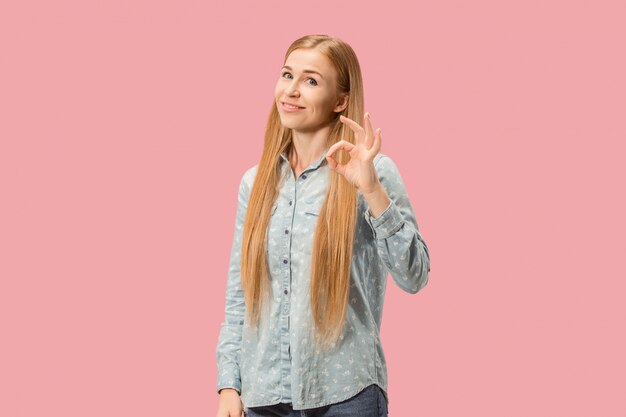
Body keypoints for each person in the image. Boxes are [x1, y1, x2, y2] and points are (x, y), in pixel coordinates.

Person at [215, 34, 430, 417]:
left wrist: (371, 190)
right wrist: (229, 384)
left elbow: (414, 275)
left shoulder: (373, 171)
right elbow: (240, 297)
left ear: (341, 101)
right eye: (287, 75)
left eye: (311, 81)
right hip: (264, 395)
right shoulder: (256, 183)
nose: (292, 91)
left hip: (345, 392)